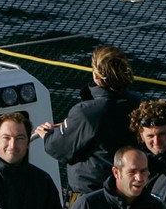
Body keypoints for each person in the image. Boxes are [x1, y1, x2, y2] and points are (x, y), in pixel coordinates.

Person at [35, 45, 144, 195]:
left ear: (96, 75)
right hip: (128, 190)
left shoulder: (85, 112)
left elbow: (60, 148)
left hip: (93, 193)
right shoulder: (137, 102)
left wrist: (48, 135)